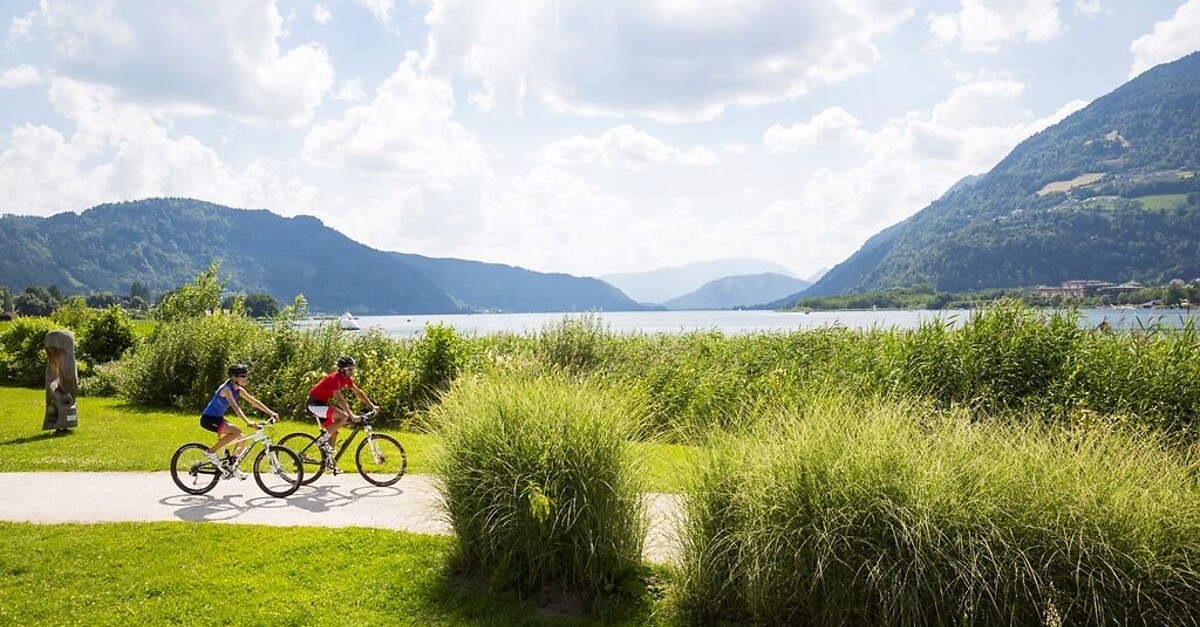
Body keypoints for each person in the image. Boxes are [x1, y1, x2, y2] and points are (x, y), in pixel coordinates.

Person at [200, 364, 279, 478]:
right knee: (236, 432)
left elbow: (255, 402)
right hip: (208, 419)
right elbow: (236, 407)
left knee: (241, 437)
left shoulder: (239, 390)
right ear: (233, 377)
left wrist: (271, 412)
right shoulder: (226, 389)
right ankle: (210, 452)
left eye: (246, 376)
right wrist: (248, 422)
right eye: (242, 376)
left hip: (218, 418)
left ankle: (233, 465)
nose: (246, 378)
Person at [306, 356, 378, 470]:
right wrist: (351, 415)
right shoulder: (335, 378)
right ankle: (321, 441)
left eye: (353, 368)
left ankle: (329, 461)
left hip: (321, 404)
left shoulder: (346, 379)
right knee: (343, 416)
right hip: (314, 405)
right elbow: (339, 398)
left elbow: (358, 392)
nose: (352, 371)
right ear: (342, 369)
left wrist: (371, 406)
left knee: (334, 432)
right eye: (349, 369)